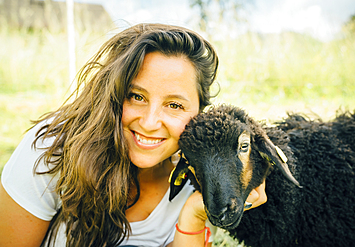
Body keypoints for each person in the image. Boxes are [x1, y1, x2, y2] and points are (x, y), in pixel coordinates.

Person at [0, 23, 267, 247]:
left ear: (200, 112)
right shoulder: (51, 152)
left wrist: (193, 215)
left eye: (174, 105)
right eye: (136, 96)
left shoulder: (200, 180)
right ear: (111, 96)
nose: (150, 123)